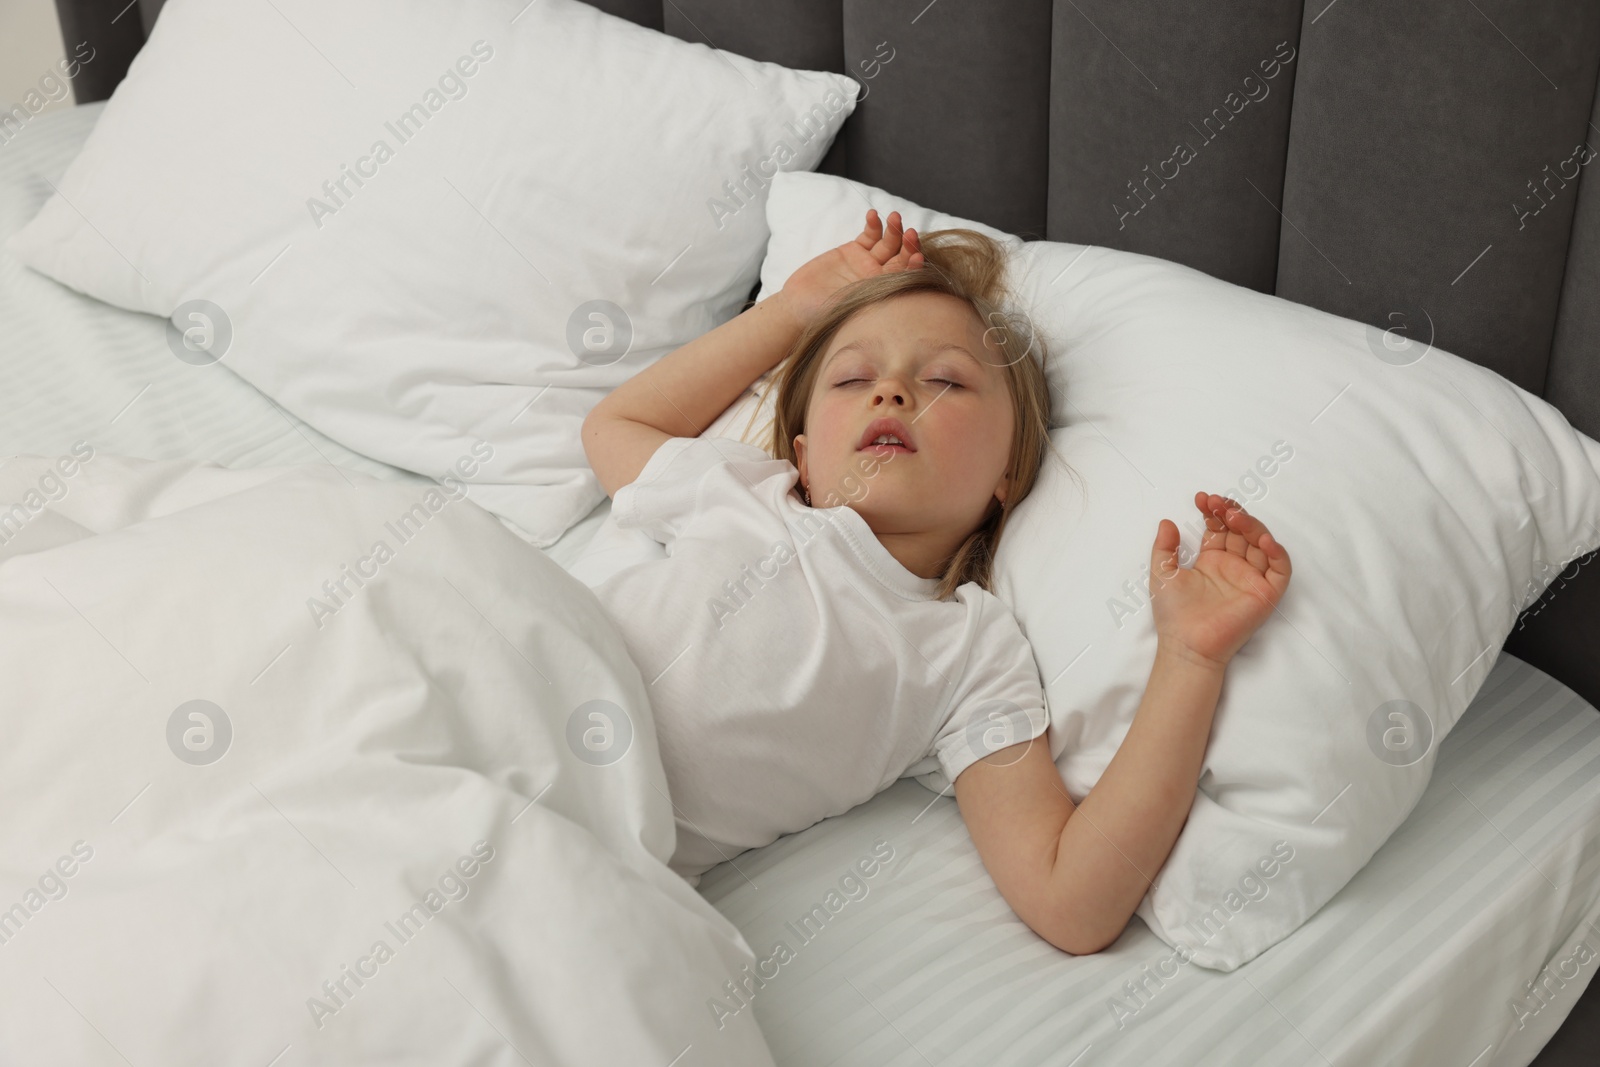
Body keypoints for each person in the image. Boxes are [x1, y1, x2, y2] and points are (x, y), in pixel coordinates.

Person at [581, 209, 1292, 955]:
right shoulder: (743, 491)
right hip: (529, 677)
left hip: (601, 841)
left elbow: (1070, 901)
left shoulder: (965, 652)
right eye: (852, 377)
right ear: (801, 453)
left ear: (1008, 473)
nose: (889, 392)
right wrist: (787, 312)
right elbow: (613, 425)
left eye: (945, 382)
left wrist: (1190, 660)